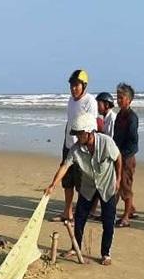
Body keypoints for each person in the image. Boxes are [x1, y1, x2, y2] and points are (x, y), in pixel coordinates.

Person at [45, 112, 121, 265]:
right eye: (76, 134)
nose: (77, 137)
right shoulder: (75, 149)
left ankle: (106, 254)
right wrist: (53, 185)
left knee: (108, 221)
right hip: (88, 187)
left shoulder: (106, 142)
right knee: (79, 218)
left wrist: (118, 179)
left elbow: (118, 158)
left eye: (80, 134)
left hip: (107, 185)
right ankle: (75, 248)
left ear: (89, 132)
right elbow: (65, 166)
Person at [50, 70, 98, 223]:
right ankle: (67, 212)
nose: (73, 88)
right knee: (67, 181)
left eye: (76, 85)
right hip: (68, 145)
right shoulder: (71, 101)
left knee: (81, 183)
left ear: (84, 86)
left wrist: (86, 147)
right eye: (71, 85)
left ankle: (81, 213)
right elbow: (70, 121)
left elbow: (91, 126)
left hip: (82, 149)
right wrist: (66, 140)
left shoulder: (90, 102)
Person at [113, 83, 139, 227]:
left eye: (121, 98)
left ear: (128, 100)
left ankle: (126, 217)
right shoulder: (119, 115)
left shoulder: (132, 117)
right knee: (116, 185)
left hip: (127, 157)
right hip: (117, 155)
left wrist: (123, 155)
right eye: (117, 97)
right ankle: (123, 211)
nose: (118, 100)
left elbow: (133, 140)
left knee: (125, 185)